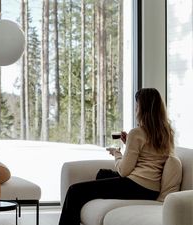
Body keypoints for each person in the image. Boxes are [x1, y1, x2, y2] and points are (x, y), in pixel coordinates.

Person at [58, 88, 175, 225]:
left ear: (142, 109)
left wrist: (117, 154)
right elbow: (149, 157)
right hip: (152, 189)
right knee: (103, 174)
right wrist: (128, 143)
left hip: (136, 186)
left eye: (137, 106)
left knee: (74, 191)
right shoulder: (167, 133)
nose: (136, 109)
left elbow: (124, 171)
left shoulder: (137, 133)